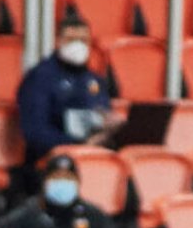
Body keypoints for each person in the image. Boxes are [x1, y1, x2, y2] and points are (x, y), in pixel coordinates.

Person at [17, 14, 120, 165]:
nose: (78, 45)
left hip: (95, 158)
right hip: (52, 162)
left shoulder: (95, 81)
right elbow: (35, 132)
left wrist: (110, 127)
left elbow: (102, 116)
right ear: (58, 41)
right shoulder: (39, 78)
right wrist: (78, 145)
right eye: (71, 40)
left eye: (83, 40)